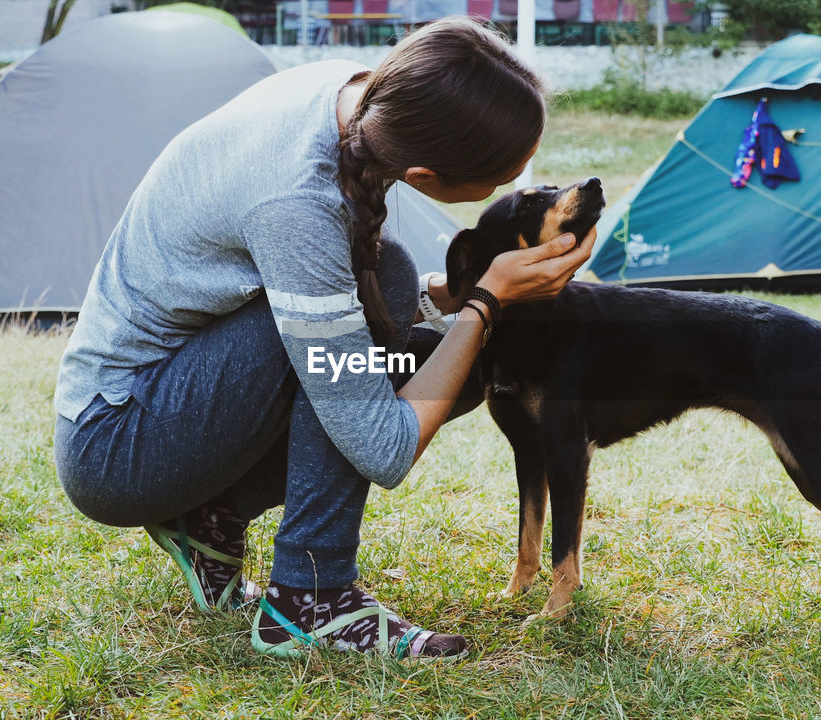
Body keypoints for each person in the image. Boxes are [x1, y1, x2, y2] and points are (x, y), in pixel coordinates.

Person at [52, 17, 596, 660]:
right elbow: (383, 447)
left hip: (186, 393)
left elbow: (371, 303)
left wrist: (458, 299)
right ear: (421, 174)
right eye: (503, 178)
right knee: (418, 324)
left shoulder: (364, 100)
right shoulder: (296, 203)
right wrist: (486, 303)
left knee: (418, 317)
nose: (510, 185)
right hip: (120, 441)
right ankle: (311, 597)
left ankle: (209, 517)